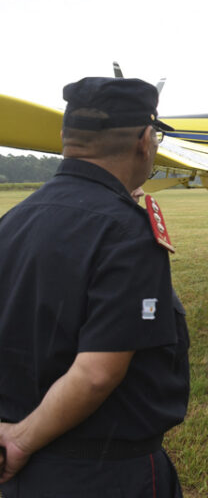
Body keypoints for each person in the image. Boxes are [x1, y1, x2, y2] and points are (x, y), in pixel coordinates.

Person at [0, 77, 190, 496]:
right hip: (106, 473)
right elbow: (97, 374)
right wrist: (19, 440)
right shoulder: (127, 232)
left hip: (24, 476)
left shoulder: (15, 220)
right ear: (145, 139)